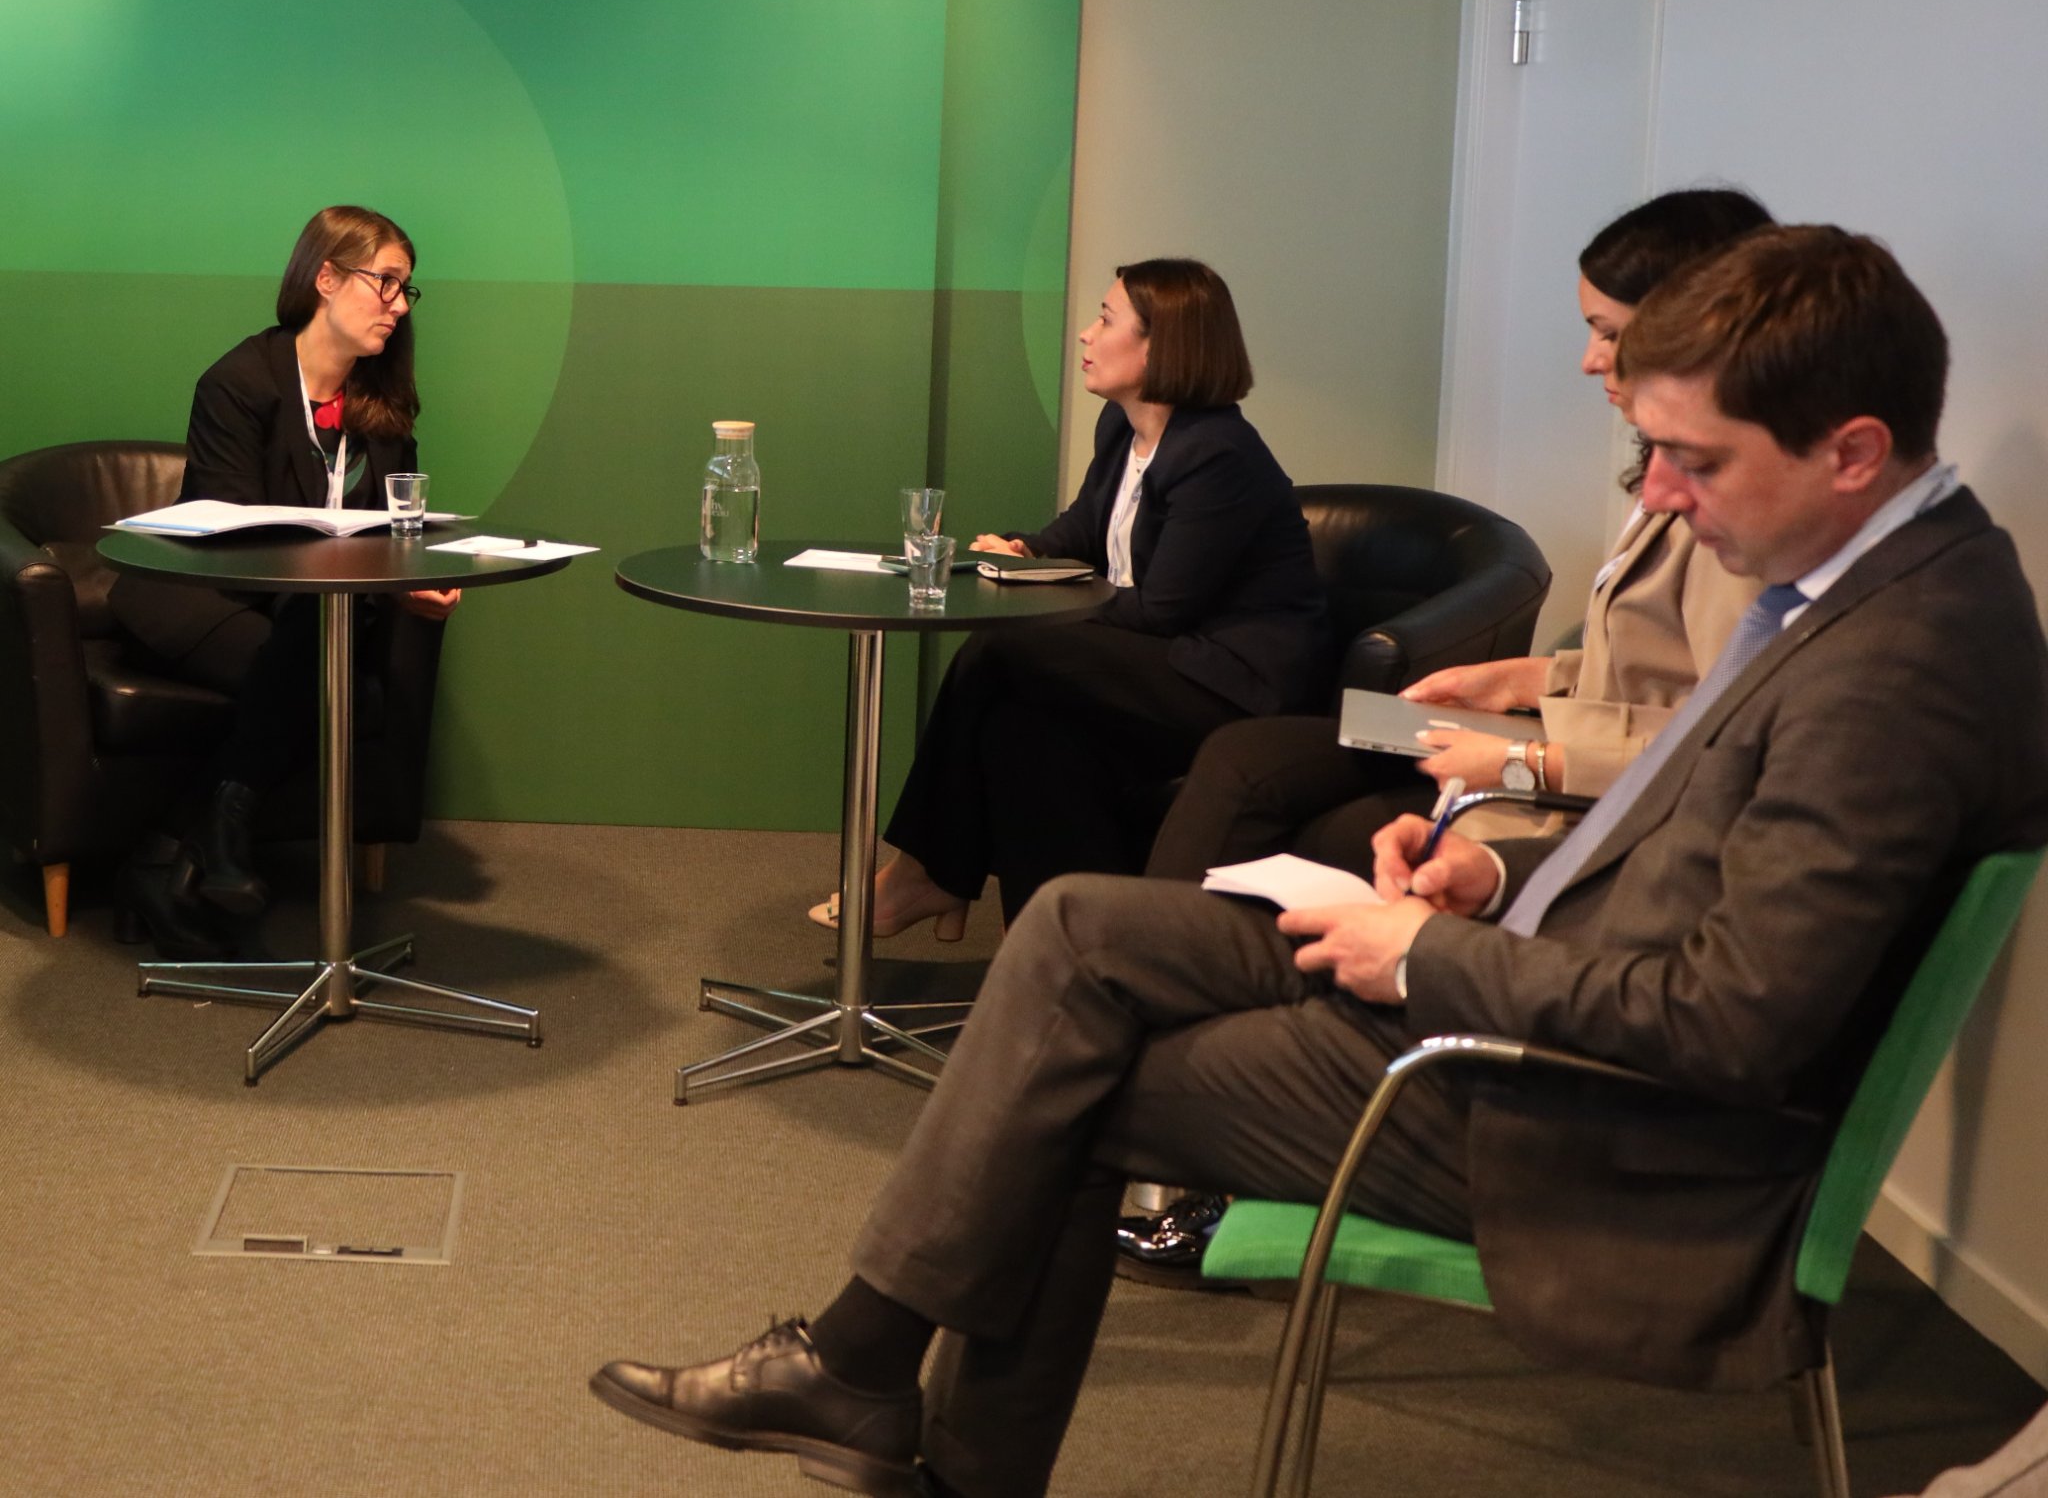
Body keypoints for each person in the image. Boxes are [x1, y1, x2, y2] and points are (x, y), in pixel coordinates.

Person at [588, 226, 2048, 1498]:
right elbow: (1697, 832)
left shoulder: (1897, 668)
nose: (1658, 493)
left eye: (1696, 459)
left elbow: (1732, 1023)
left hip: (1591, 1125)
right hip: (1530, 976)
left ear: (1852, 450)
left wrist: (1426, 954)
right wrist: (1492, 882)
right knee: (1082, 930)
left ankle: (888, 1400)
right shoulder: (1863, 585)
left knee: (1061, 1084)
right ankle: (858, 1374)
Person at [1129, 187, 1771, 1277]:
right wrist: (1525, 675)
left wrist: (1523, 753)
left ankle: (1195, 1090)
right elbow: (1645, 673)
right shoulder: (1673, 470)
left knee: (1308, 819)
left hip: (1566, 805)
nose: (1588, 360)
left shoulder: (1734, 509)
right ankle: (1183, 1067)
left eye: (1606, 332)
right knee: (1259, 769)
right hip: (1537, 759)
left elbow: (1713, 734)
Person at [809, 258, 1328, 939]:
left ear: (1161, 346)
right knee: (1020, 730)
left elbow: (1163, 610)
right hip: (1163, 662)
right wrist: (1025, 550)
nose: (1086, 333)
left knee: (1001, 647)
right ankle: (1057, 945)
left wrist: (1035, 593)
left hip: (1228, 682)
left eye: (1106, 320)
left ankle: (927, 871)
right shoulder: (1123, 429)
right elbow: (1084, 528)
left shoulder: (1218, 454)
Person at [112, 205, 456, 956]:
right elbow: (234, 539)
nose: (399, 306)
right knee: (326, 677)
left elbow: (394, 530)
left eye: (405, 289)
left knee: (323, 652)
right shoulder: (239, 382)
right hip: (199, 595)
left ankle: (180, 845)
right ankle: (200, 837)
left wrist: (412, 582)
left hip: (309, 615)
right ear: (326, 278)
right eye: (386, 282)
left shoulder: (383, 406)